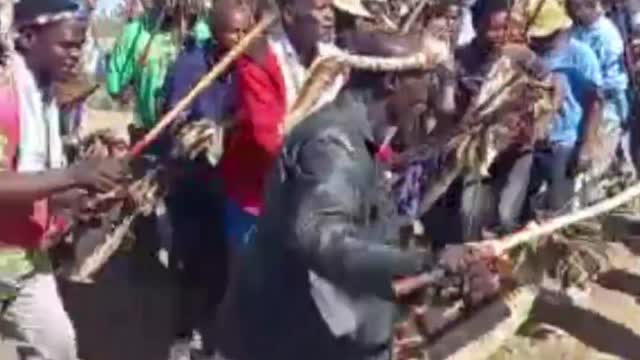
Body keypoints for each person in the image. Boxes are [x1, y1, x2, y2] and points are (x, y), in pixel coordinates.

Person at [213, 35, 500, 360]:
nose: (429, 95)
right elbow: (326, 241)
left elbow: (372, 228)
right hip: (287, 336)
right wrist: (425, 262)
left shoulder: (358, 139)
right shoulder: (333, 145)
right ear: (393, 82)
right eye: (426, 80)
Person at [0, 1, 126, 359]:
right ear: (26, 37)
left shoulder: (44, 97)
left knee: (56, 348)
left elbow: (30, 177)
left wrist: (76, 200)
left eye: (80, 45)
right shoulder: (5, 97)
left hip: (24, 261)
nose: (76, 55)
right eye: (66, 45)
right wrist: (71, 174)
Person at [218, 0, 345, 252]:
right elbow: (269, 141)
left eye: (331, 8)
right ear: (289, 14)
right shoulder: (258, 61)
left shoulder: (334, 62)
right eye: (320, 8)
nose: (329, 15)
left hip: (309, 197)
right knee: (253, 281)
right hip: (258, 197)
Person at [162, 2, 244, 359]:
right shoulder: (190, 65)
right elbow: (175, 120)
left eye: (245, 31)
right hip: (192, 181)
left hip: (231, 184)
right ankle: (182, 335)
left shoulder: (251, 70)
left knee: (222, 267)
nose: (240, 39)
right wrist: (200, 134)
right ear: (215, 31)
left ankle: (212, 338)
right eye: (233, 32)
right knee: (191, 264)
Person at [527, 0, 606, 212]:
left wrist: (588, 144)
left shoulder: (581, 55)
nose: (542, 41)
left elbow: (596, 100)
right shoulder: (530, 54)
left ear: (563, 29)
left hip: (565, 141)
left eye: (549, 35)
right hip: (533, 142)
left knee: (558, 206)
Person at [106, 0, 179, 132]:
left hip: (187, 133)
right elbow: (116, 84)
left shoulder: (199, 35)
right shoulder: (134, 34)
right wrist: (125, 88)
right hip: (147, 131)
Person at [568, 0, 629, 128]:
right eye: (576, 7)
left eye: (587, 5)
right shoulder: (575, 31)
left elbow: (615, 79)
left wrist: (596, 90)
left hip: (606, 105)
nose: (580, 12)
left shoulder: (607, 35)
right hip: (579, 102)